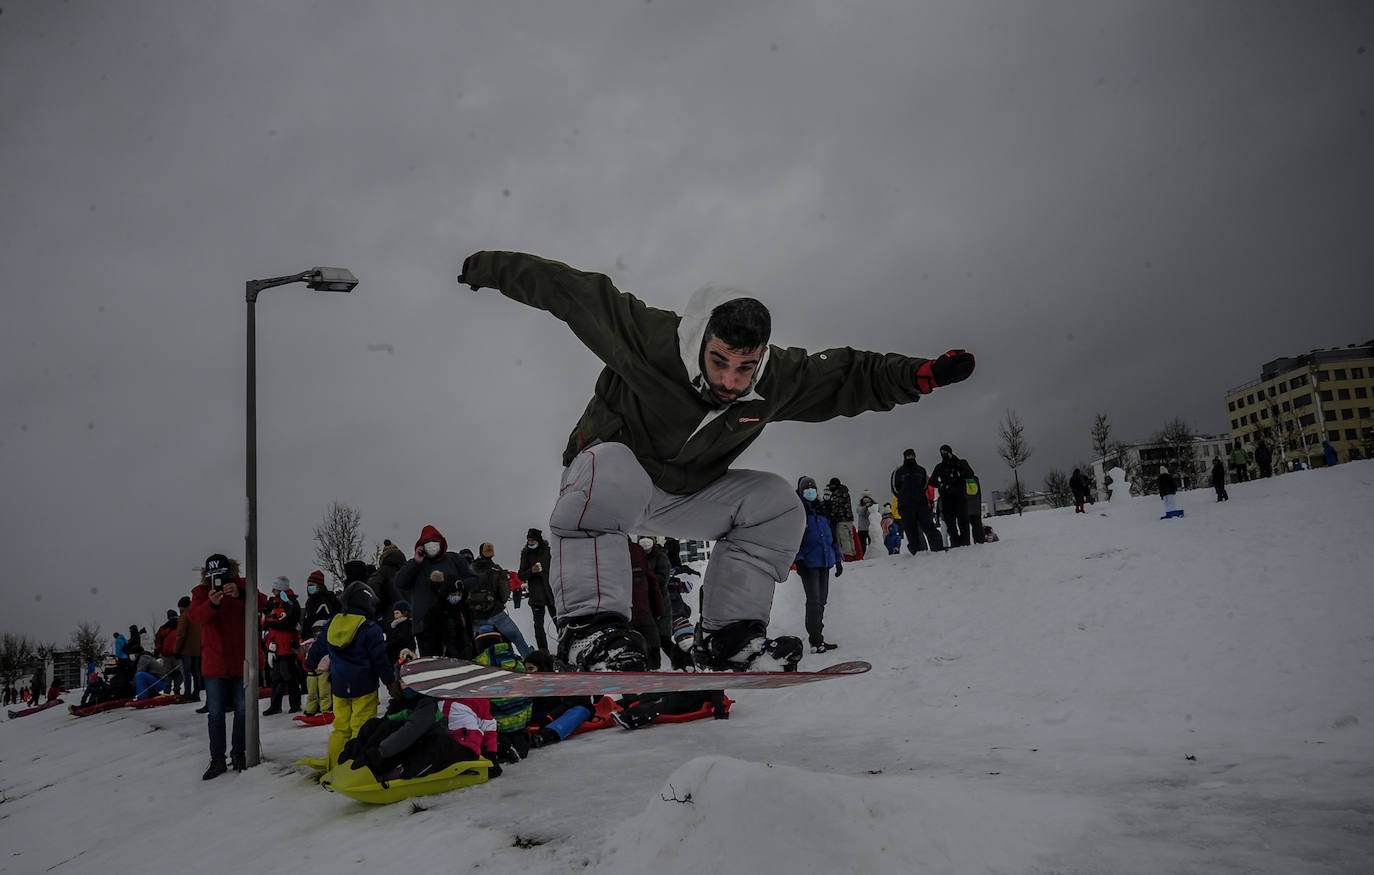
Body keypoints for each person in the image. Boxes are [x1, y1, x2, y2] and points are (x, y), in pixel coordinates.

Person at [457, 251, 975, 673]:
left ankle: (730, 635)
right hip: (608, 482)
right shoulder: (651, 341)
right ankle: (591, 630)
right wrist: (488, 268)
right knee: (611, 464)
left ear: (761, 357)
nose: (730, 381)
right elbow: (570, 291)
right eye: (720, 361)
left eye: (745, 367)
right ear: (700, 340)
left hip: (685, 495)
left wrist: (920, 375)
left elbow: (848, 375)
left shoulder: (777, 380)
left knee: (777, 504)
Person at [188, 553, 267, 779]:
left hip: (242, 660)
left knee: (243, 709)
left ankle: (239, 753)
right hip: (215, 663)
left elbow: (263, 603)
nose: (218, 580)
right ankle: (217, 759)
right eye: (213, 576)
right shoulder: (200, 592)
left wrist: (240, 593)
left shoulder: (242, 585)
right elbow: (196, 617)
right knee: (215, 713)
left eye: (221, 575)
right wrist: (211, 604)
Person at [306, 579, 398, 772]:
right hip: (364, 687)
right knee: (362, 726)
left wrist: (310, 663)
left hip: (339, 687)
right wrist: (390, 683)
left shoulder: (332, 624)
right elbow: (380, 660)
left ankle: (334, 764)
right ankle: (354, 767)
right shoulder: (369, 628)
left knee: (341, 727)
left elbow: (318, 647)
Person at [393, 525, 478, 657]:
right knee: (431, 665)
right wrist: (416, 562)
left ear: (441, 542)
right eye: (427, 542)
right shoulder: (416, 565)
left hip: (452, 622)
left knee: (459, 661)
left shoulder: (454, 560)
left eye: (434, 541)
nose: (431, 545)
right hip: (424, 626)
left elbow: (473, 579)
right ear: (421, 546)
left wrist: (458, 585)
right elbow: (399, 582)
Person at [794, 476, 841, 654]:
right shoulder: (798, 512)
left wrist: (837, 559)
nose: (810, 492)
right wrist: (799, 559)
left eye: (813, 489)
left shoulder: (822, 510)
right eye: (807, 489)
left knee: (822, 600)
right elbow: (793, 539)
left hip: (824, 561)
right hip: (808, 563)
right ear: (801, 492)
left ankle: (818, 636)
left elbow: (831, 538)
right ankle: (815, 640)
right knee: (814, 601)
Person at [469, 543, 531, 657]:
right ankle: (529, 660)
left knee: (474, 643)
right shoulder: (497, 570)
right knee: (516, 637)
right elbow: (504, 593)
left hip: (475, 615)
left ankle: (473, 663)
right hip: (496, 614)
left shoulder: (470, 569)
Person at [262, 577, 303, 715]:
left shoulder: (290, 602)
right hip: (275, 645)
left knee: (288, 675)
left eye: (275, 588)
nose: (272, 590)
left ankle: (295, 704)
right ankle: (275, 705)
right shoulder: (275, 602)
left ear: (281, 589)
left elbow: (288, 623)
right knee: (276, 677)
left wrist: (271, 623)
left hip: (287, 645)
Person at [890, 450, 943, 553]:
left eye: (911, 455)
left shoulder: (921, 470)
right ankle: (916, 552)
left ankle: (937, 548)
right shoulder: (898, 472)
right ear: (904, 457)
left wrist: (920, 496)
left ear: (915, 456)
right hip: (905, 506)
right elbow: (894, 488)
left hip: (921, 504)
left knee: (929, 526)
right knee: (911, 530)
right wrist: (903, 497)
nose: (910, 457)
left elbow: (925, 486)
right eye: (908, 456)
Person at [930, 445, 983, 546]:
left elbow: (970, 474)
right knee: (950, 523)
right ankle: (955, 542)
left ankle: (965, 541)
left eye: (945, 452)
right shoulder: (940, 467)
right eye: (942, 452)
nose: (943, 454)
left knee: (963, 521)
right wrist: (942, 485)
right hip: (946, 498)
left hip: (960, 497)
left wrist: (960, 474)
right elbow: (932, 481)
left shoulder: (960, 463)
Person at [628, 537, 667, 670]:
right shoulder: (636, 550)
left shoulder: (636, 551)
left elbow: (652, 582)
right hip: (630, 615)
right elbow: (652, 582)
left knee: (652, 649)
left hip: (639, 613)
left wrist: (659, 609)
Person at [517, 528, 557, 652]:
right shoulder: (526, 554)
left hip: (551, 593)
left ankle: (565, 647)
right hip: (536, 596)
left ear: (539, 540)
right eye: (529, 540)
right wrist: (531, 571)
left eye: (533, 540)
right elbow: (521, 575)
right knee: (538, 626)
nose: (530, 543)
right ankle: (543, 651)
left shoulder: (548, 551)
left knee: (559, 622)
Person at [367, 540, 406, 635]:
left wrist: (377, 610)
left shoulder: (382, 572)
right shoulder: (408, 570)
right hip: (410, 616)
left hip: (390, 617)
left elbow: (372, 588)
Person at [301, 620, 332, 717]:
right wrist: (296, 646)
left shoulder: (328, 643)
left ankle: (325, 709)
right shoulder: (310, 642)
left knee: (324, 692)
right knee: (311, 692)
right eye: (316, 630)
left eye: (320, 630)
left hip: (323, 671)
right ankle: (310, 709)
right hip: (311, 671)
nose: (318, 632)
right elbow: (301, 649)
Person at [824, 477, 858, 561]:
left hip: (841, 520)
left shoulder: (836, 494)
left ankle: (848, 556)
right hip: (849, 519)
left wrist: (830, 515)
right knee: (850, 538)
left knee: (844, 539)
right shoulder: (845, 492)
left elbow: (834, 508)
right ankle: (853, 554)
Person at [386, 601, 416, 666]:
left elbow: (401, 640)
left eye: (397, 613)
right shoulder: (395, 625)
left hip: (403, 656)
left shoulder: (406, 625)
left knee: (399, 667)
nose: (395, 615)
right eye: (394, 613)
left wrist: (387, 645)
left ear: (404, 613)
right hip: (395, 655)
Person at [855, 490, 877, 558]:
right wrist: (866, 507)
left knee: (872, 544)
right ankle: (862, 556)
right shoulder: (859, 505)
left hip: (870, 528)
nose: (865, 499)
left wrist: (870, 506)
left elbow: (875, 513)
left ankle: (872, 556)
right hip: (862, 529)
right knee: (862, 545)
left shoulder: (874, 505)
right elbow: (860, 512)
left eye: (867, 497)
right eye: (864, 497)